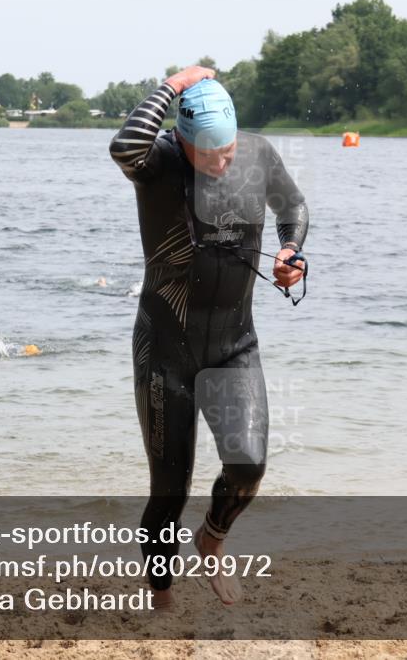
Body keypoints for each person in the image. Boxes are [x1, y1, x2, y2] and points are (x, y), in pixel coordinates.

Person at [109, 65, 308, 608]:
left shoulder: (257, 153)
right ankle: (162, 597)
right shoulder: (157, 162)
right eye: (208, 154)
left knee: (248, 467)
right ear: (181, 139)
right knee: (169, 490)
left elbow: (292, 206)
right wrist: (173, 85)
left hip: (233, 345)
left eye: (227, 151)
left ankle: (212, 539)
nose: (222, 163)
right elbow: (123, 146)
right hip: (164, 350)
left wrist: (291, 251)